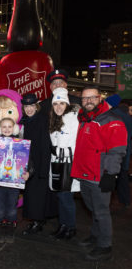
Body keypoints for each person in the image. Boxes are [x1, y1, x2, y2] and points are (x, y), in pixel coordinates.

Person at [72, 86, 127, 261]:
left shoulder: (111, 120)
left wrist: (111, 174)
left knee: (101, 211)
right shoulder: (84, 118)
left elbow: (117, 151)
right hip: (85, 174)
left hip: (100, 175)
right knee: (93, 209)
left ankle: (105, 245)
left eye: (92, 98)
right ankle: (95, 236)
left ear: (100, 98)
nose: (88, 101)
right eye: (84, 99)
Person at [0, 118, 30, 243]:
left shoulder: (21, 144)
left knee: (12, 209)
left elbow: (29, 162)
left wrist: (28, 173)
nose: (7, 129)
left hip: (14, 185)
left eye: (10, 126)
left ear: (14, 128)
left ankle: (10, 230)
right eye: (4, 126)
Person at [20, 94, 56, 235]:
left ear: (36, 106)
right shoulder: (26, 121)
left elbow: (45, 146)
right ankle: (36, 220)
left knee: (37, 196)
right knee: (32, 195)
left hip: (39, 164)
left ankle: (37, 222)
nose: (29, 109)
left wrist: (43, 169)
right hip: (29, 164)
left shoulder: (42, 120)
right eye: (26, 106)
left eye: (32, 106)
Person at [48, 88, 80, 240]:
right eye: (55, 104)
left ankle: (70, 227)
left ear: (67, 104)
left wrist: (62, 151)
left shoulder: (74, 119)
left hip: (68, 164)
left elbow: (77, 143)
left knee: (66, 197)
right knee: (60, 196)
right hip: (57, 163)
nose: (58, 107)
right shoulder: (55, 119)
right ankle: (63, 225)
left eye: (61, 103)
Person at [105, 94, 132, 208]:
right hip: (125, 150)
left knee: (109, 177)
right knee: (122, 176)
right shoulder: (128, 117)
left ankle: (107, 202)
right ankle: (125, 201)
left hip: (111, 151)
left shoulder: (111, 115)